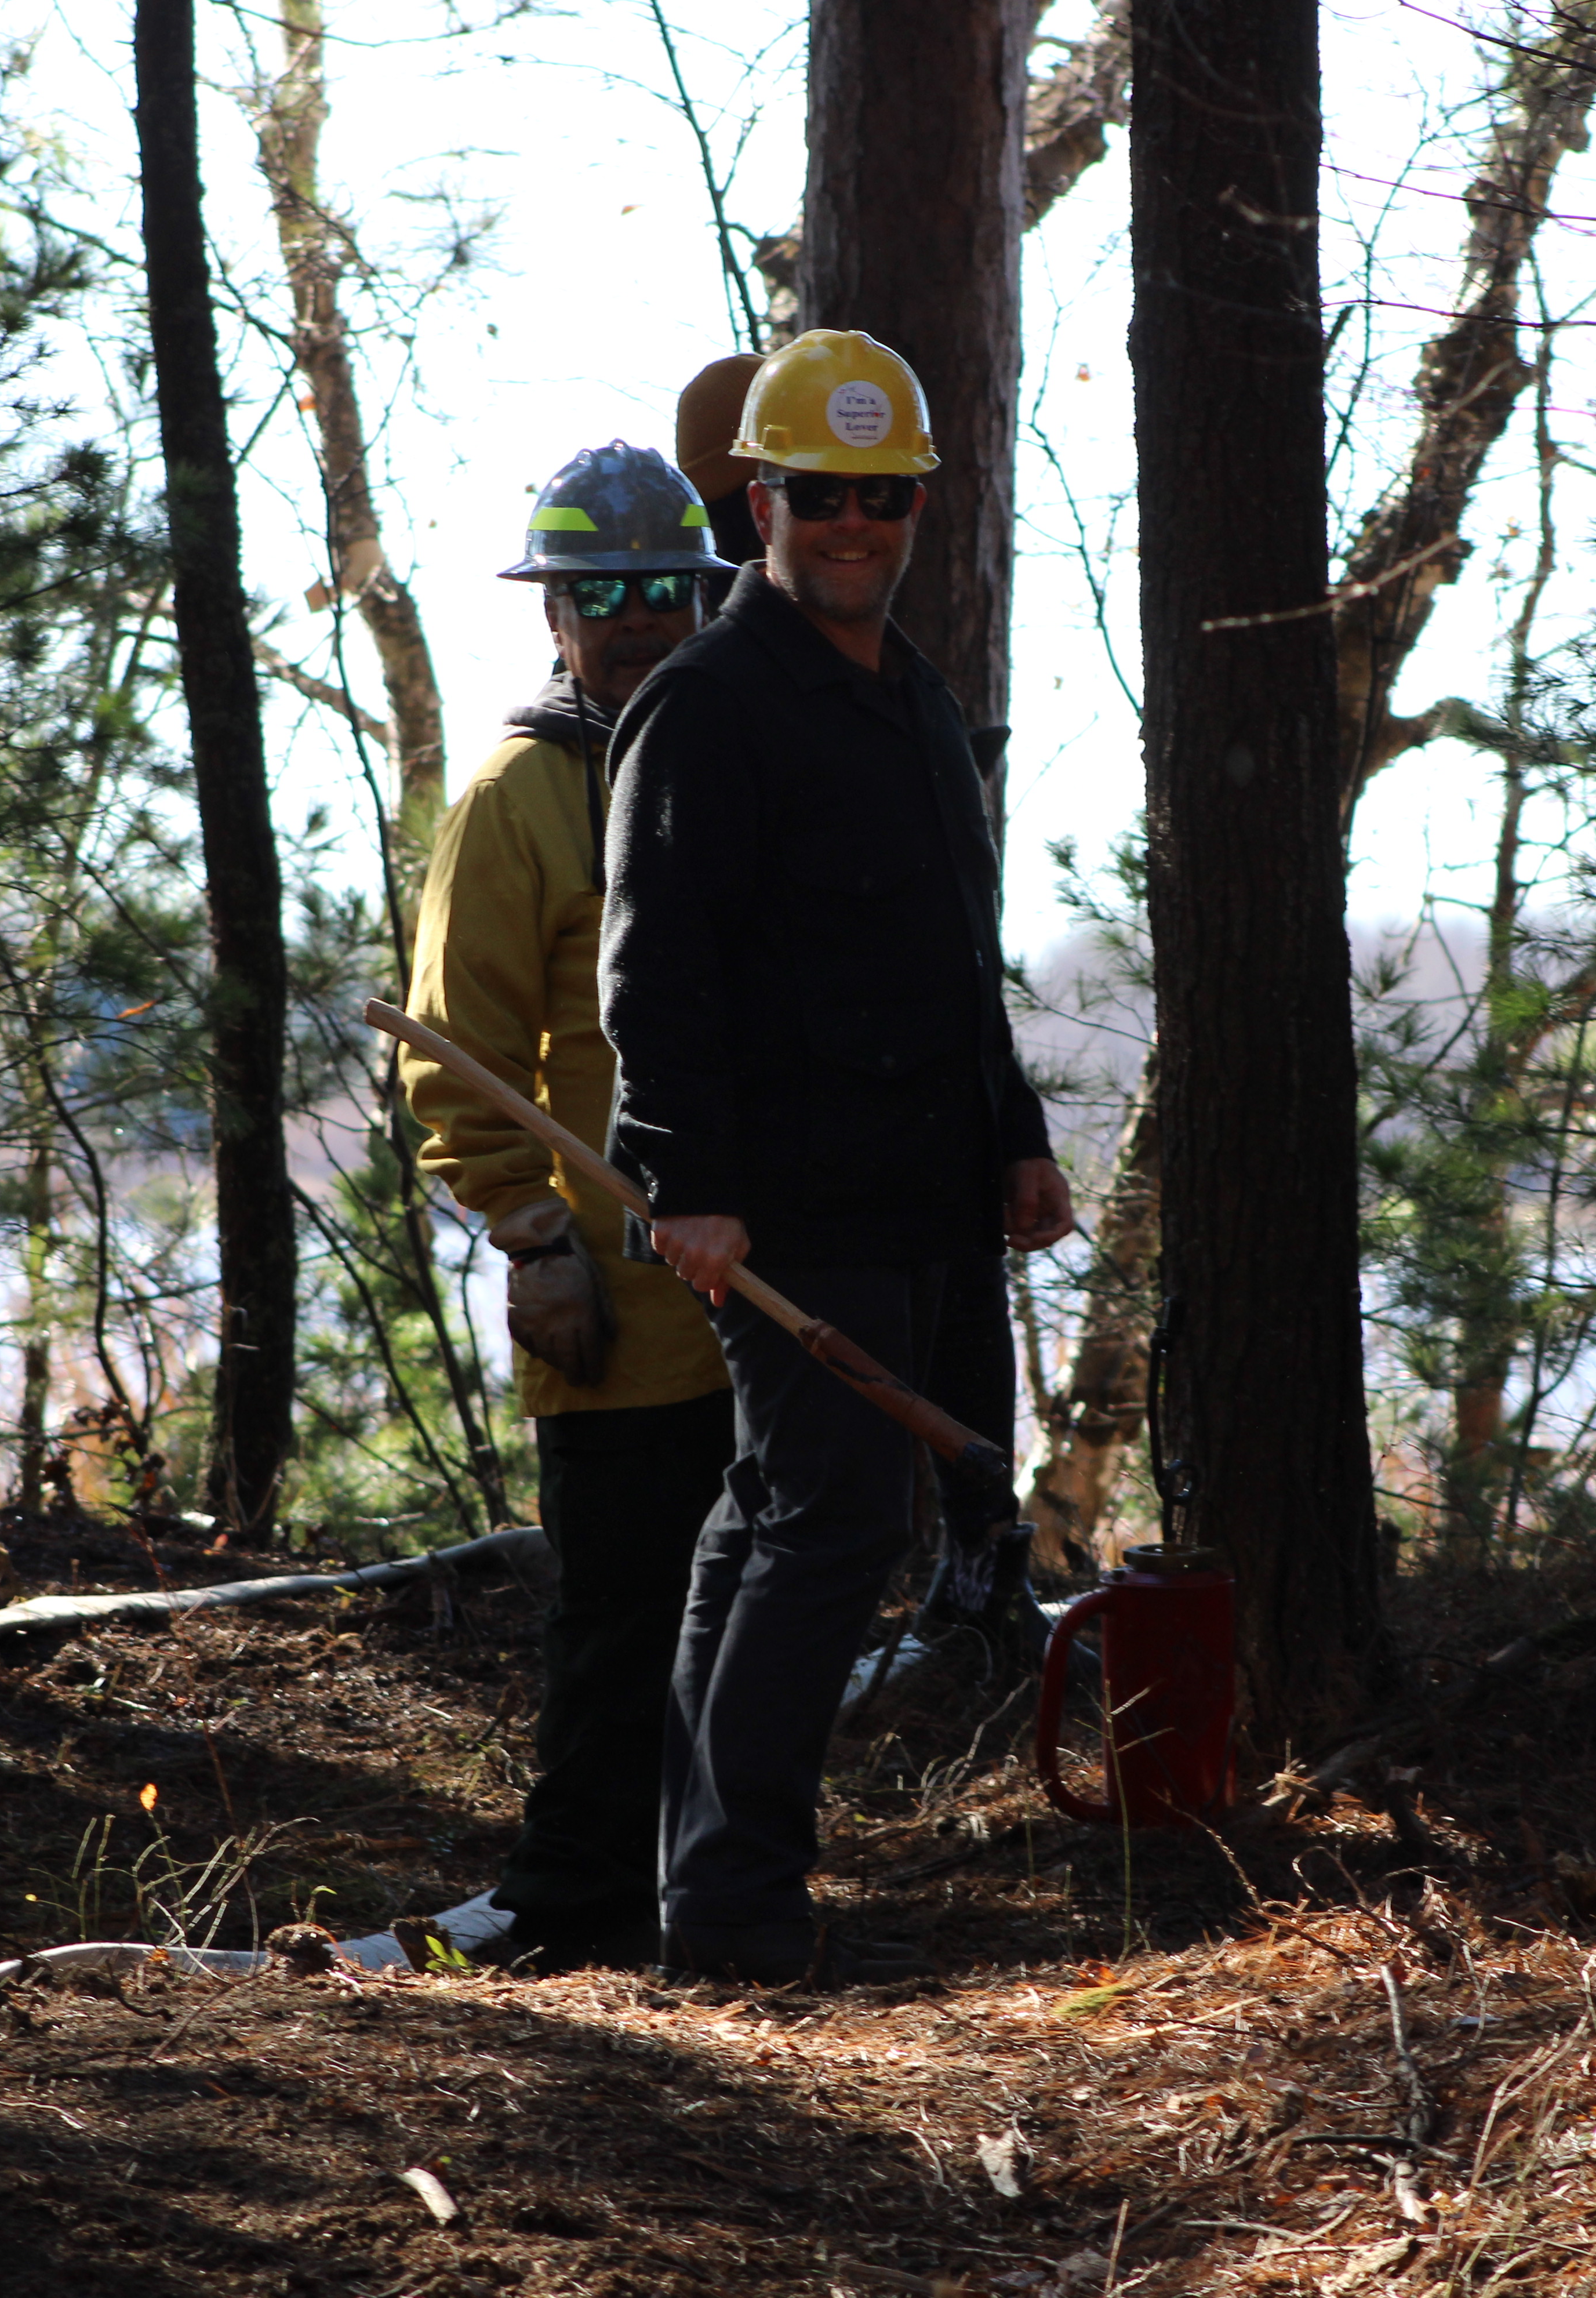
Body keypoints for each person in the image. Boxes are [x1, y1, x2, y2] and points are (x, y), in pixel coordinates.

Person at [601, 331, 1078, 1987]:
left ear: (919, 506)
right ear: (762, 505)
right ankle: (739, 1916)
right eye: (823, 495)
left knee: (771, 1523)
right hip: (795, 1203)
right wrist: (688, 1184)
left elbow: (953, 955)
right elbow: (656, 972)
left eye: (887, 497)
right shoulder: (706, 704)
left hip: (924, 1186)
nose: (857, 524)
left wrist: (1015, 1139)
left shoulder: (915, 696)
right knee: (829, 1528)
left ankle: (705, 1888)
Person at [397, 440, 736, 1976]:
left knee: (751, 1609)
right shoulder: (517, 796)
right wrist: (534, 1241)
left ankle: (711, 1887)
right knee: (620, 1609)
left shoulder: (742, 762)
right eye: (600, 597)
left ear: (705, 596)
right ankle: (572, 1897)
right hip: (612, 1293)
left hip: (761, 1286)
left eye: (664, 589)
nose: (637, 619)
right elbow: (456, 1052)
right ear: (554, 615)